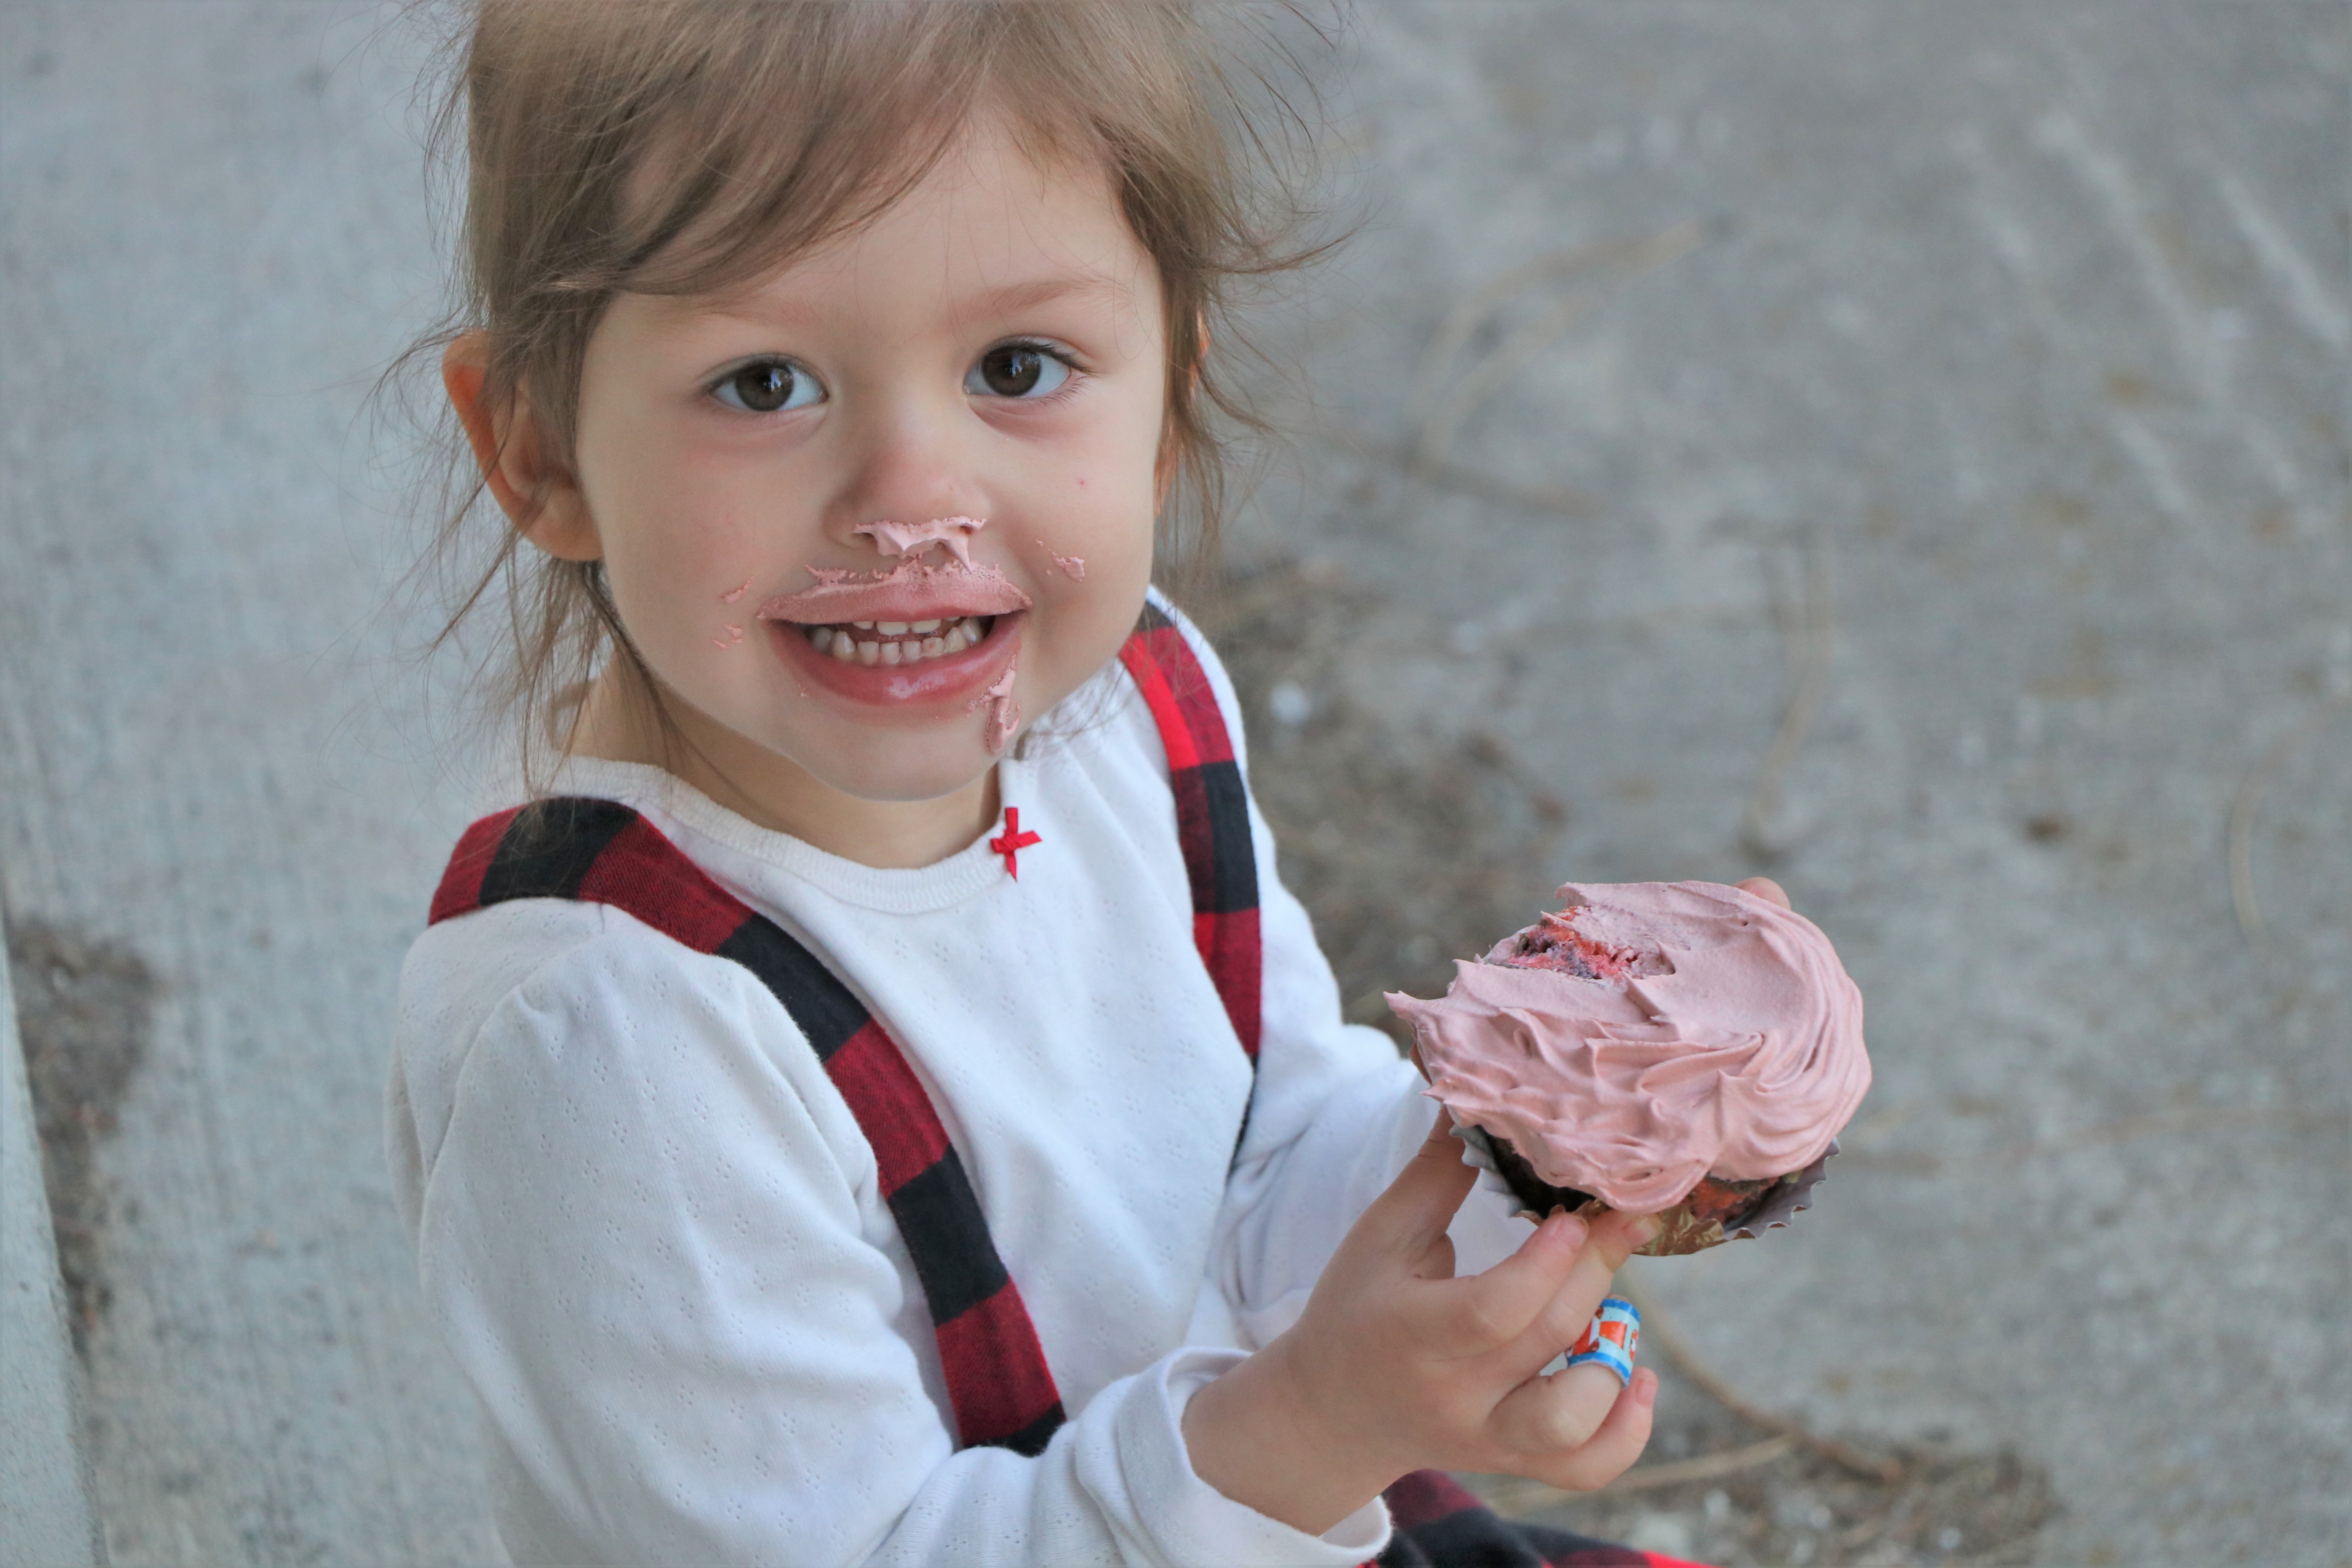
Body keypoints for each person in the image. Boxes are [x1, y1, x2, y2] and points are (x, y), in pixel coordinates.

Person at [386, 4, 1703, 1563]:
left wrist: (1521, 1164)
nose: (913, 501)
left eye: (1018, 366)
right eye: (763, 383)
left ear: (1165, 407)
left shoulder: (1128, 711)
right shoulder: (616, 1047)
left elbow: (1267, 1144)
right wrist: (1321, 1424)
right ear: (539, 452)